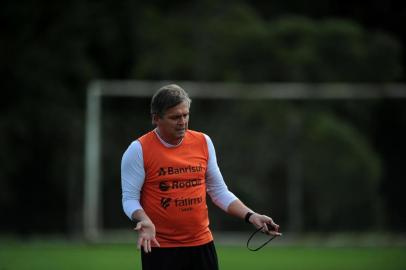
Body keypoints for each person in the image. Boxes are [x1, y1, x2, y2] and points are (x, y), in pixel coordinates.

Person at [121, 84, 281, 270]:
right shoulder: (138, 149)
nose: (182, 121)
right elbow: (130, 199)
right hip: (160, 247)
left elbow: (218, 191)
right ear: (156, 118)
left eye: (185, 115)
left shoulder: (203, 142)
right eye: (175, 117)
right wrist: (144, 220)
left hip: (201, 245)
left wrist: (251, 216)